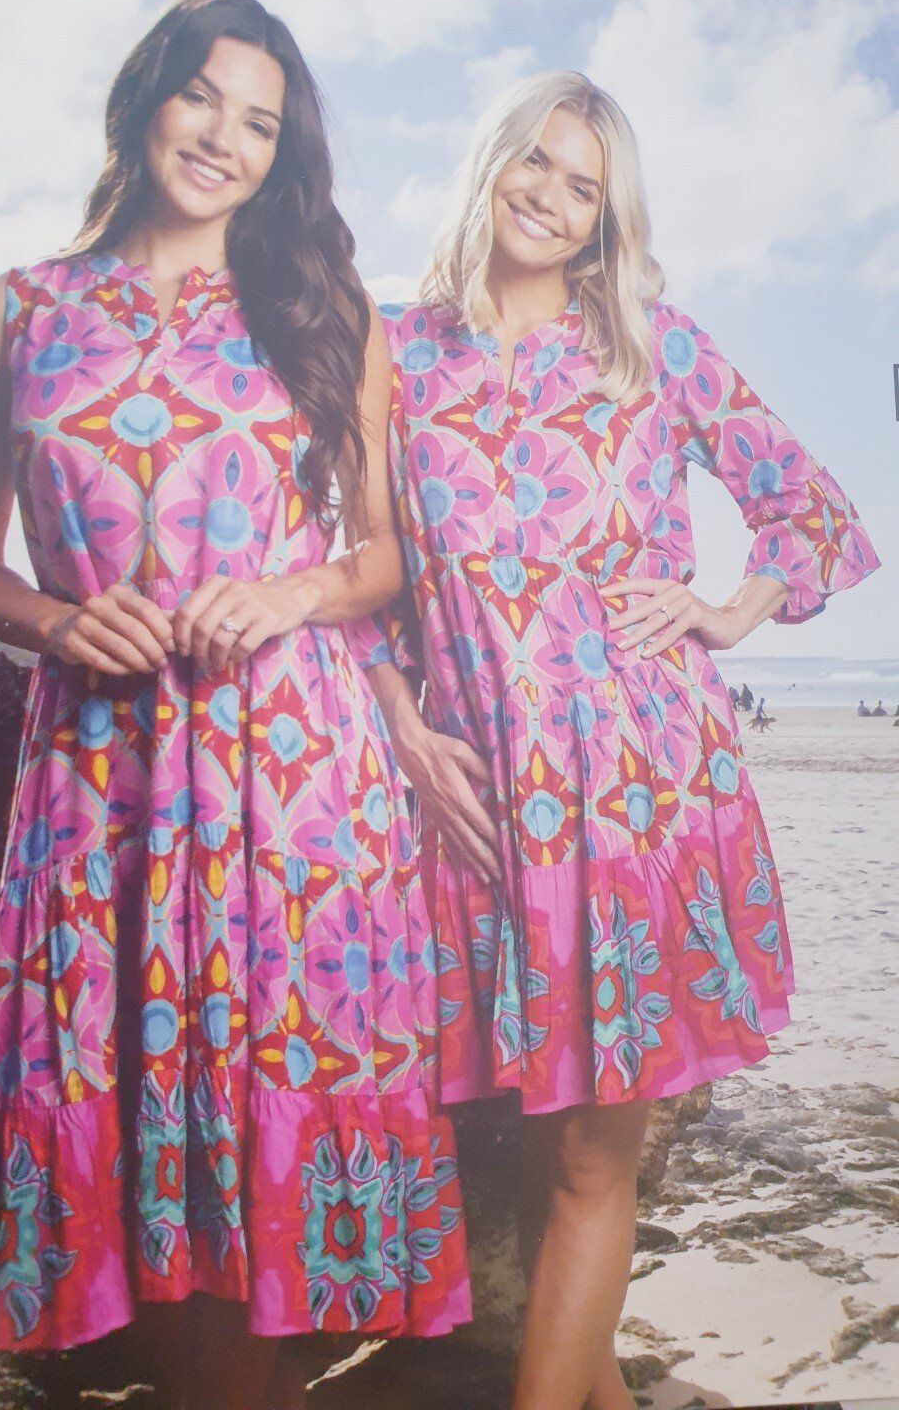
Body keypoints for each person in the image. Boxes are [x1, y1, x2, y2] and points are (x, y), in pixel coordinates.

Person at [0, 0, 469, 1407]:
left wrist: (291, 595)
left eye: (261, 123)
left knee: (268, 1183)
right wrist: (58, 617)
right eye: (203, 100)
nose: (225, 140)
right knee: (133, 1166)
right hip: (99, 786)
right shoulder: (18, 310)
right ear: (143, 99)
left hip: (293, 781)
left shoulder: (320, 313)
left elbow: (387, 556)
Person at [349, 70, 879, 1410]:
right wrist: (405, 726)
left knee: (592, 1157)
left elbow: (810, 513)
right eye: (534, 161)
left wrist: (726, 612)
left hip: (639, 788)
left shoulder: (654, 344)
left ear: (605, 218)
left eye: (583, 184)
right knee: (541, 1147)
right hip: (474, 796)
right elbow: (351, 570)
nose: (548, 194)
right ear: (490, 163)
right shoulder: (390, 350)